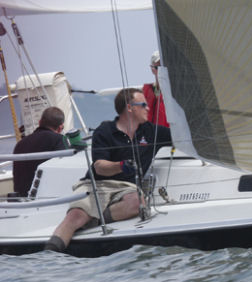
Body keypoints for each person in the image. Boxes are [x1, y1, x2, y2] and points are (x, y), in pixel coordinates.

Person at [44, 88, 172, 252]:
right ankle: (49, 255)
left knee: (138, 203)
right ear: (130, 108)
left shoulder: (152, 132)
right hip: (97, 183)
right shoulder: (104, 130)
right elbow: (100, 167)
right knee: (75, 216)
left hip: (127, 188)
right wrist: (121, 165)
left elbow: (184, 136)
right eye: (143, 105)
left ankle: (92, 218)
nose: (148, 108)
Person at [12, 107, 68, 196]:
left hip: (20, 198)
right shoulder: (59, 140)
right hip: (45, 197)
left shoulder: (20, 144)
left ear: (39, 122)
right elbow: (65, 170)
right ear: (60, 128)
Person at [143, 50, 169, 127]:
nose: (162, 71)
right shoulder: (145, 91)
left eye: (164, 67)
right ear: (152, 69)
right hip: (151, 135)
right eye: (158, 67)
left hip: (169, 135)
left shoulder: (175, 91)